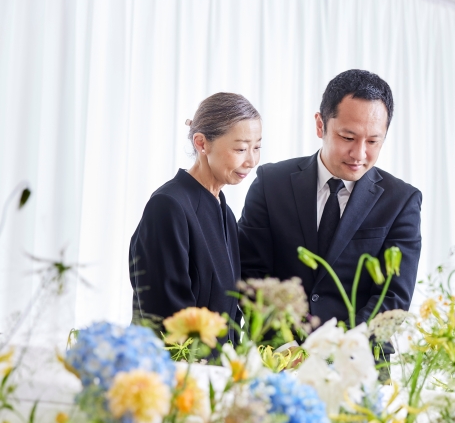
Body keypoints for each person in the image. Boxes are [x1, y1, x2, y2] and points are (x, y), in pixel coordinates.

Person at [238, 69, 422, 327]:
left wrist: (340, 345)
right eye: (348, 137)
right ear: (320, 125)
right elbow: (249, 272)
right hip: (279, 346)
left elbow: (393, 298)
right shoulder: (271, 183)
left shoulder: (401, 201)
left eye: (373, 141)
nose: (359, 154)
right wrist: (286, 341)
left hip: (361, 350)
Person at [130, 93, 262, 343]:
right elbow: (166, 317)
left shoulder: (225, 212)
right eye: (241, 149)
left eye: (257, 148)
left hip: (217, 366)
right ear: (201, 143)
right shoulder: (168, 206)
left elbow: (230, 315)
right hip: (178, 364)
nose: (251, 161)